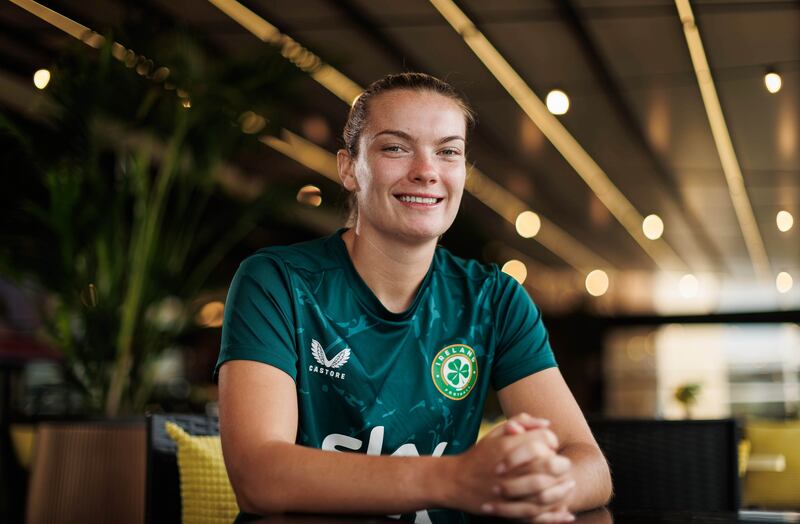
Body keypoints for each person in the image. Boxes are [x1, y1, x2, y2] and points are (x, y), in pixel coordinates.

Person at [216, 72, 612, 523]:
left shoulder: (494, 299)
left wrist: (536, 486)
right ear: (349, 168)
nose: (427, 171)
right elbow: (259, 478)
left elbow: (591, 466)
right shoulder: (278, 283)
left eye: (448, 151)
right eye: (396, 147)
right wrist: (454, 479)